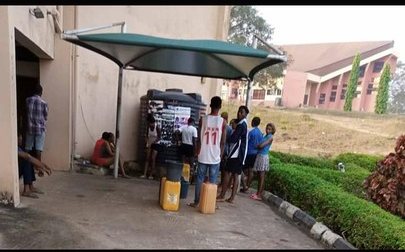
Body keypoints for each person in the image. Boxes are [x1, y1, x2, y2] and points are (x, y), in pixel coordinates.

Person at [188, 96, 227, 208]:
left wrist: (197, 151)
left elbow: (199, 138)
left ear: (210, 105)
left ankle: (197, 202)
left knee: (199, 179)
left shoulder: (202, 119)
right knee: (212, 180)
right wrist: (221, 154)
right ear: (220, 107)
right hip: (215, 155)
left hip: (203, 154)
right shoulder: (223, 122)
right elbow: (223, 142)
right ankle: (210, 204)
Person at [217, 105, 249, 203]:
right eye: (239, 111)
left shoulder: (241, 125)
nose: (239, 113)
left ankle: (222, 194)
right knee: (236, 175)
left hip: (236, 153)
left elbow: (233, 139)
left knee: (227, 172)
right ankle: (231, 197)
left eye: (242, 112)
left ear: (245, 114)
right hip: (240, 154)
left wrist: (227, 137)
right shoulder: (244, 124)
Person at [18, 132, 52, 198]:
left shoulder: (18, 148)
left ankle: (31, 186)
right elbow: (27, 157)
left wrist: (43, 165)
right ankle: (26, 190)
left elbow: (29, 157)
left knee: (29, 160)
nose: (21, 139)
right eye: (19, 137)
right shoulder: (13, 148)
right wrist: (43, 167)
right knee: (26, 161)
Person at [251, 123, 276, 201]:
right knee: (259, 175)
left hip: (263, 156)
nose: (268, 130)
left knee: (261, 176)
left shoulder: (270, 137)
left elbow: (261, 146)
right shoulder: (266, 136)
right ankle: (258, 192)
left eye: (269, 129)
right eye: (267, 128)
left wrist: (258, 146)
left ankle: (259, 194)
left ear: (272, 130)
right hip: (260, 155)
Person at [25, 83, 48, 161]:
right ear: (41, 92)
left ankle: (25, 165)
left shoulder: (28, 100)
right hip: (40, 128)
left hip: (30, 127)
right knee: (38, 148)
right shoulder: (44, 103)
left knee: (27, 147)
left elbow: (26, 111)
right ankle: (39, 168)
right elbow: (45, 116)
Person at [240, 116, 262, 193]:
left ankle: (244, 183)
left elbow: (246, 141)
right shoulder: (260, 132)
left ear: (252, 122)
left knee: (240, 168)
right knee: (251, 170)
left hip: (248, 152)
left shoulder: (250, 131)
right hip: (255, 153)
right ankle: (247, 186)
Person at [141, 114, 161, 180]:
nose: (150, 125)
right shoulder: (148, 128)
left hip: (156, 143)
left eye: (150, 124)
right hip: (149, 143)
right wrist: (146, 141)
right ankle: (144, 174)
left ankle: (151, 174)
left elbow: (159, 137)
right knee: (147, 158)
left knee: (153, 158)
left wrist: (153, 142)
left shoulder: (157, 127)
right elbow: (146, 135)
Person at [218, 112, 233, 188]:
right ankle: (222, 183)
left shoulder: (220, 126)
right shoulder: (230, 128)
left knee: (219, 167)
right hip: (226, 149)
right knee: (224, 169)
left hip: (219, 148)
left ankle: (221, 183)